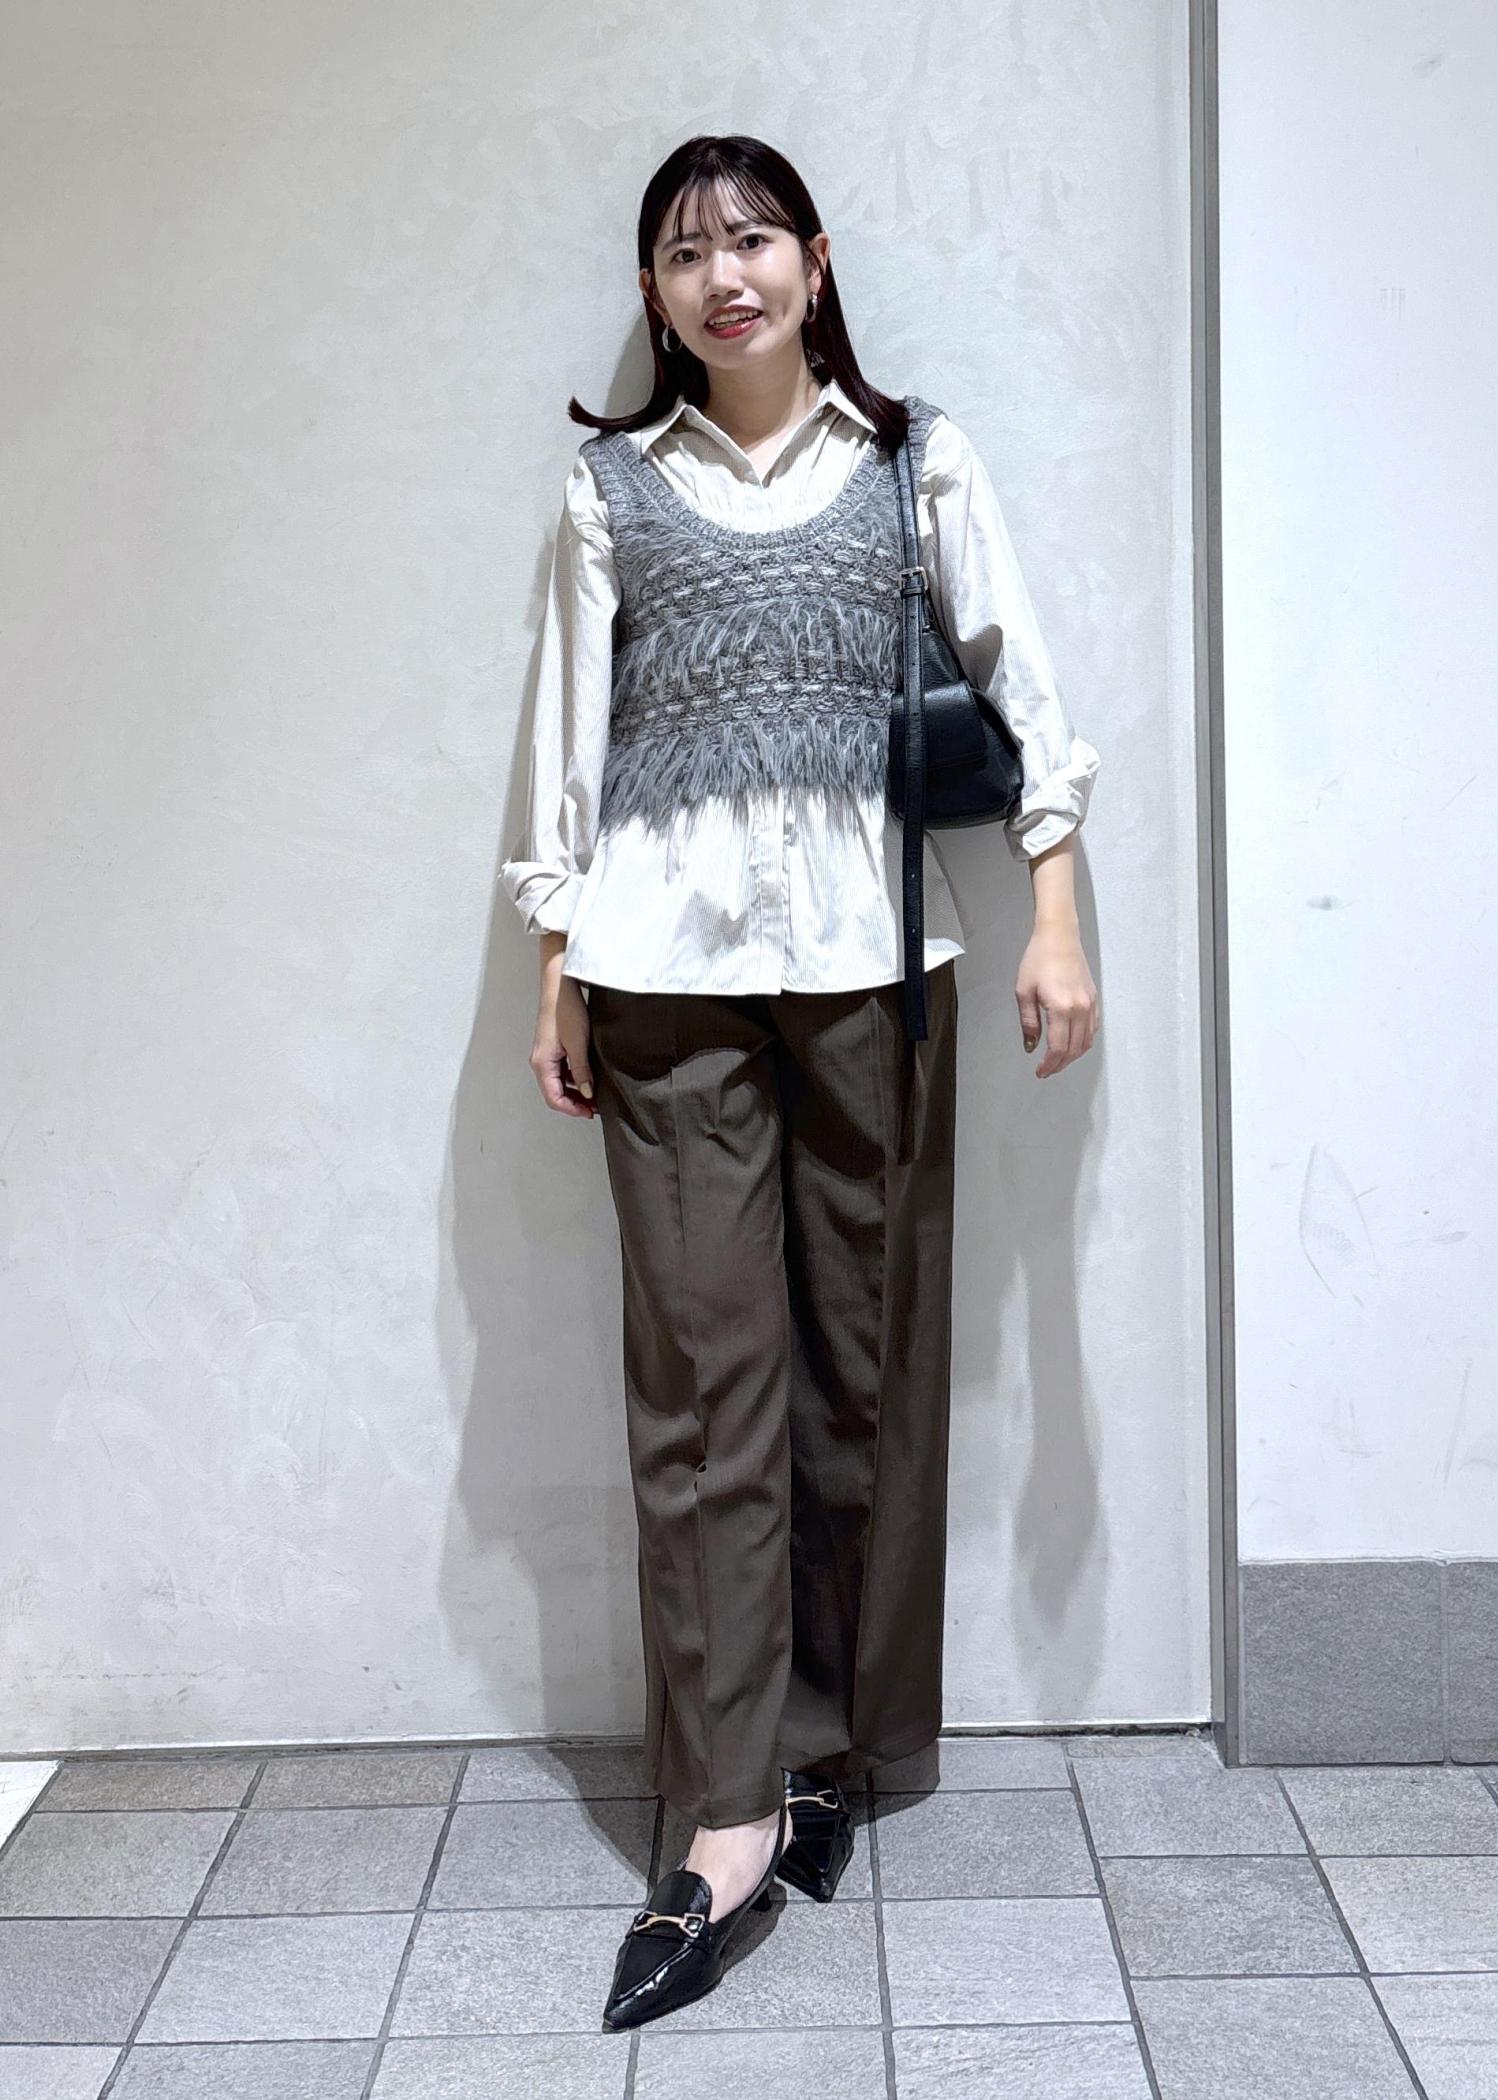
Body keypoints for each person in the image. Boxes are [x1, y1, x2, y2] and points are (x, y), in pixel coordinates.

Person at [499, 132, 1101, 2028]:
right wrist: (555, 969)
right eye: (687, 253)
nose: (726, 276)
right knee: (705, 1397)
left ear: (817, 263)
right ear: (658, 294)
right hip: (663, 984)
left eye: (754, 240)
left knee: (867, 1369)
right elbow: (564, 746)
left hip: (875, 975)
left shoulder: (917, 462)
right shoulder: (609, 490)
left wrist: (1055, 919)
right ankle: (725, 1812)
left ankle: (841, 1745)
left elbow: (1026, 694)